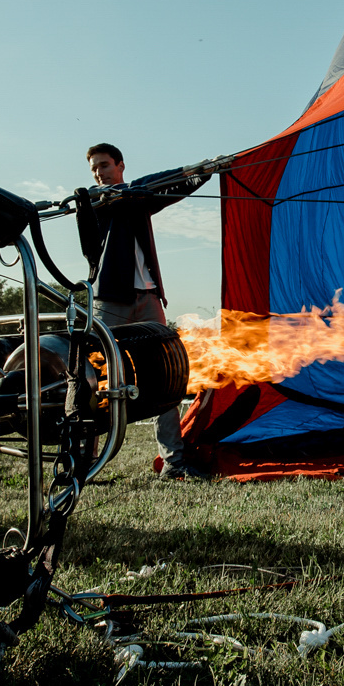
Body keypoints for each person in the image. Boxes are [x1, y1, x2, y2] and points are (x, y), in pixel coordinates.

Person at [75, 142, 209, 478]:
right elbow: (143, 189)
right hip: (111, 300)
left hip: (148, 297)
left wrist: (200, 174)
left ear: (120, 165)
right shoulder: (93, 200)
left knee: (167, 378)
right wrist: (189, 171)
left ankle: (173, 462)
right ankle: (83, 463)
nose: (98, 173)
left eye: (104, 165)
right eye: (94, 168)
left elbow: (162, 191)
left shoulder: (138, 199)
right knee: (94, 379)